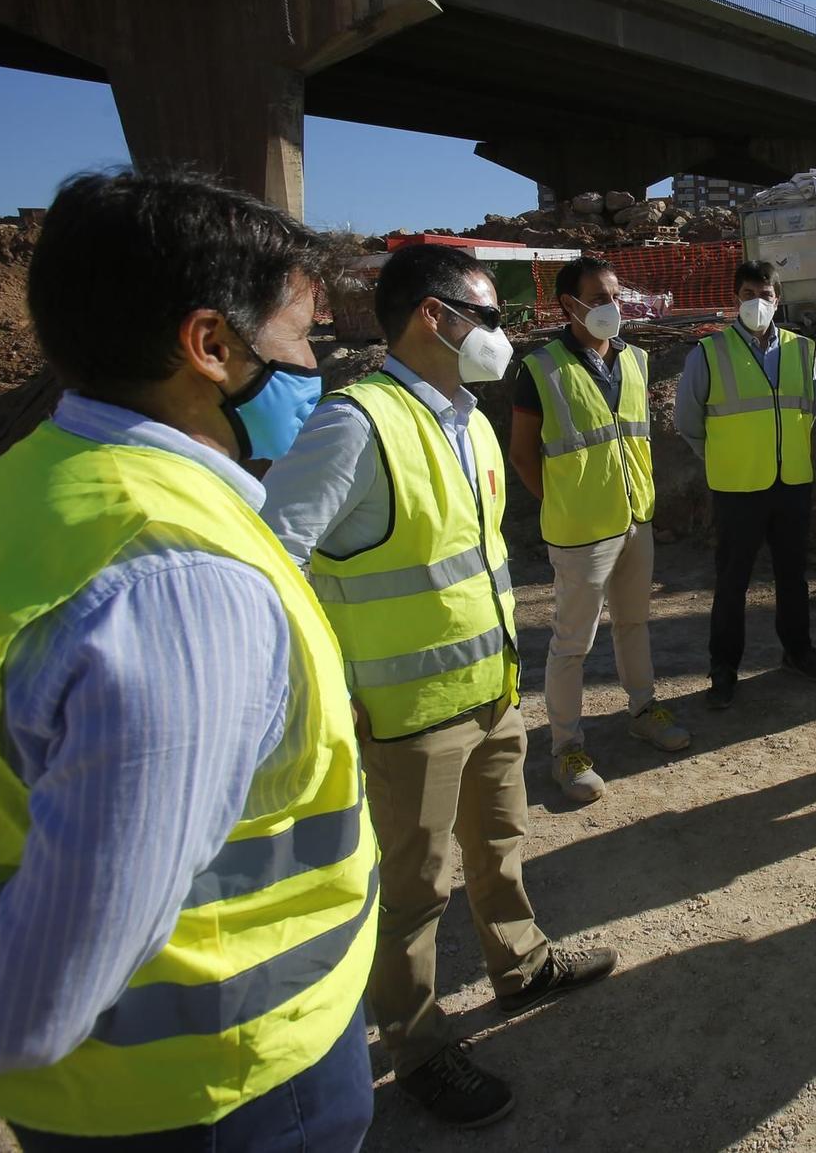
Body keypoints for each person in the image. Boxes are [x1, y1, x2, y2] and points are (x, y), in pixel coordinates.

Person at [0, 170, 377, 1149]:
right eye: (299, 340)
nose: (316, 367)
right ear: (209, 345)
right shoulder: (172, 579)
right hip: (216, 1089)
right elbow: (42, 992)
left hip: (125, 1095)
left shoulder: (12, 495)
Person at [262, 243, 616, 1129]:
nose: (501, 334)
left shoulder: (466, 417)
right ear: (434, 316)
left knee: (500, 841)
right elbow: (270, 559)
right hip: (406, 715)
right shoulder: (357, 422)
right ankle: (417, 1045)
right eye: (489, 316)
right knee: (412, 891)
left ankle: (520, 962)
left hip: (489, 690)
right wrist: (323, 683)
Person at [509, 254, 686, 805]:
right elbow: (522, 454)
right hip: (580, 531)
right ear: (569, 304)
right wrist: (564, 502)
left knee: (633, 623)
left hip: (636, 519)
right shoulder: (539, 370)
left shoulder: (636, 360)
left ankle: (642, 709)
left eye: (616, 294)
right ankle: (567, 749)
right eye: (600, 296)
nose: (613, 305)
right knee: (571, 644)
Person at [676, 259, 816, 708]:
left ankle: (798, 651)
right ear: (734, 299)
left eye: (765, 295)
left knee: (792, 576)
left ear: (778, 299)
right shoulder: (708, 353)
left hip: (792, 484)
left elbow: (811, 412)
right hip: (736, 488)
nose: (757, 302)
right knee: (732, 582)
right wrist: (727, 458)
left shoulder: (805, 352)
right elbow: (688, 422)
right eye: (748, 294)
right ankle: (724, 668)